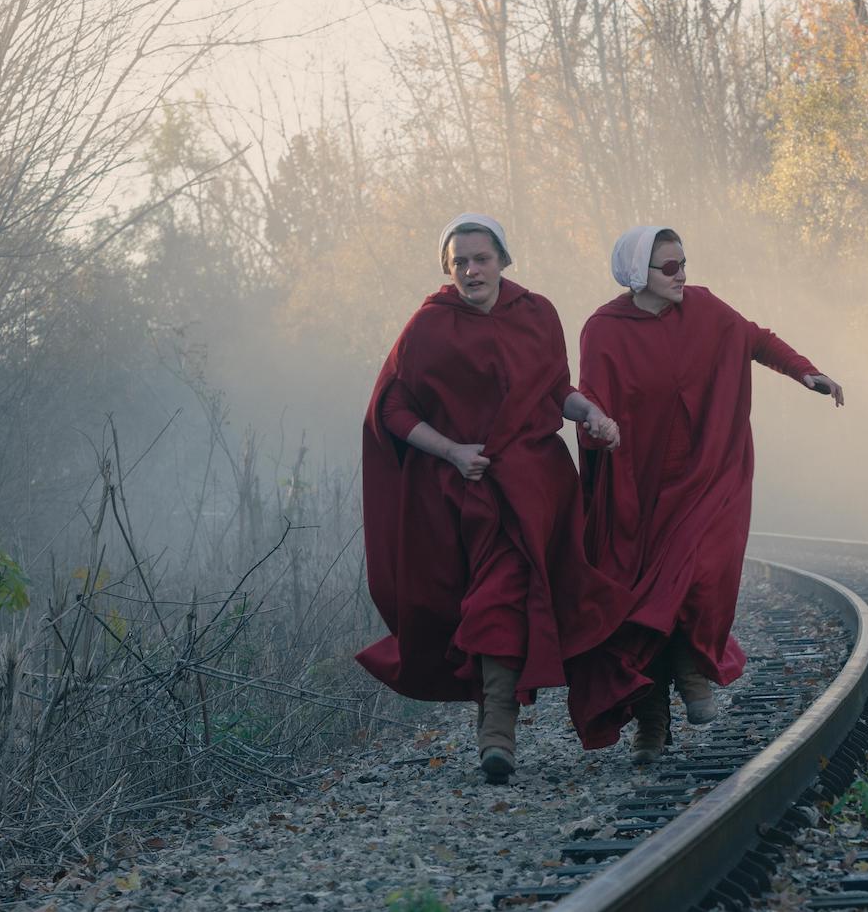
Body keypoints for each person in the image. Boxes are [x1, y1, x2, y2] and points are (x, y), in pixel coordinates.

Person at [357, 213, 626, 785]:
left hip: (538, 487)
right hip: (463, 495)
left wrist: (595, 415)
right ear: (447, 268)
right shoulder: (429, 327)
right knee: (492, 597)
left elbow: (556, 393)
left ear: (504, 259)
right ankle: (497, 726)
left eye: (481, 258)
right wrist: (452, 450)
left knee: (514, 594)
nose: (472, 270)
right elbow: (393, 410)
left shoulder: (538, 314)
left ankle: (498, 729)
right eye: (460, 262)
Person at [567, 226, 843, 762]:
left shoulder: (706, 309)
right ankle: (651, 721)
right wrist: (597, 425)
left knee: (697, 573)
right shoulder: (603, 329)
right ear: (635, 274)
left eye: (683, 264)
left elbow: (755, 339)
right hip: (636, 486)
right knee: (639, 601)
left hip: (703, 474)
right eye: (668, 268)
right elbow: (593, 398)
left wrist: (805, 372)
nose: (682, 275)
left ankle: (693, 669)